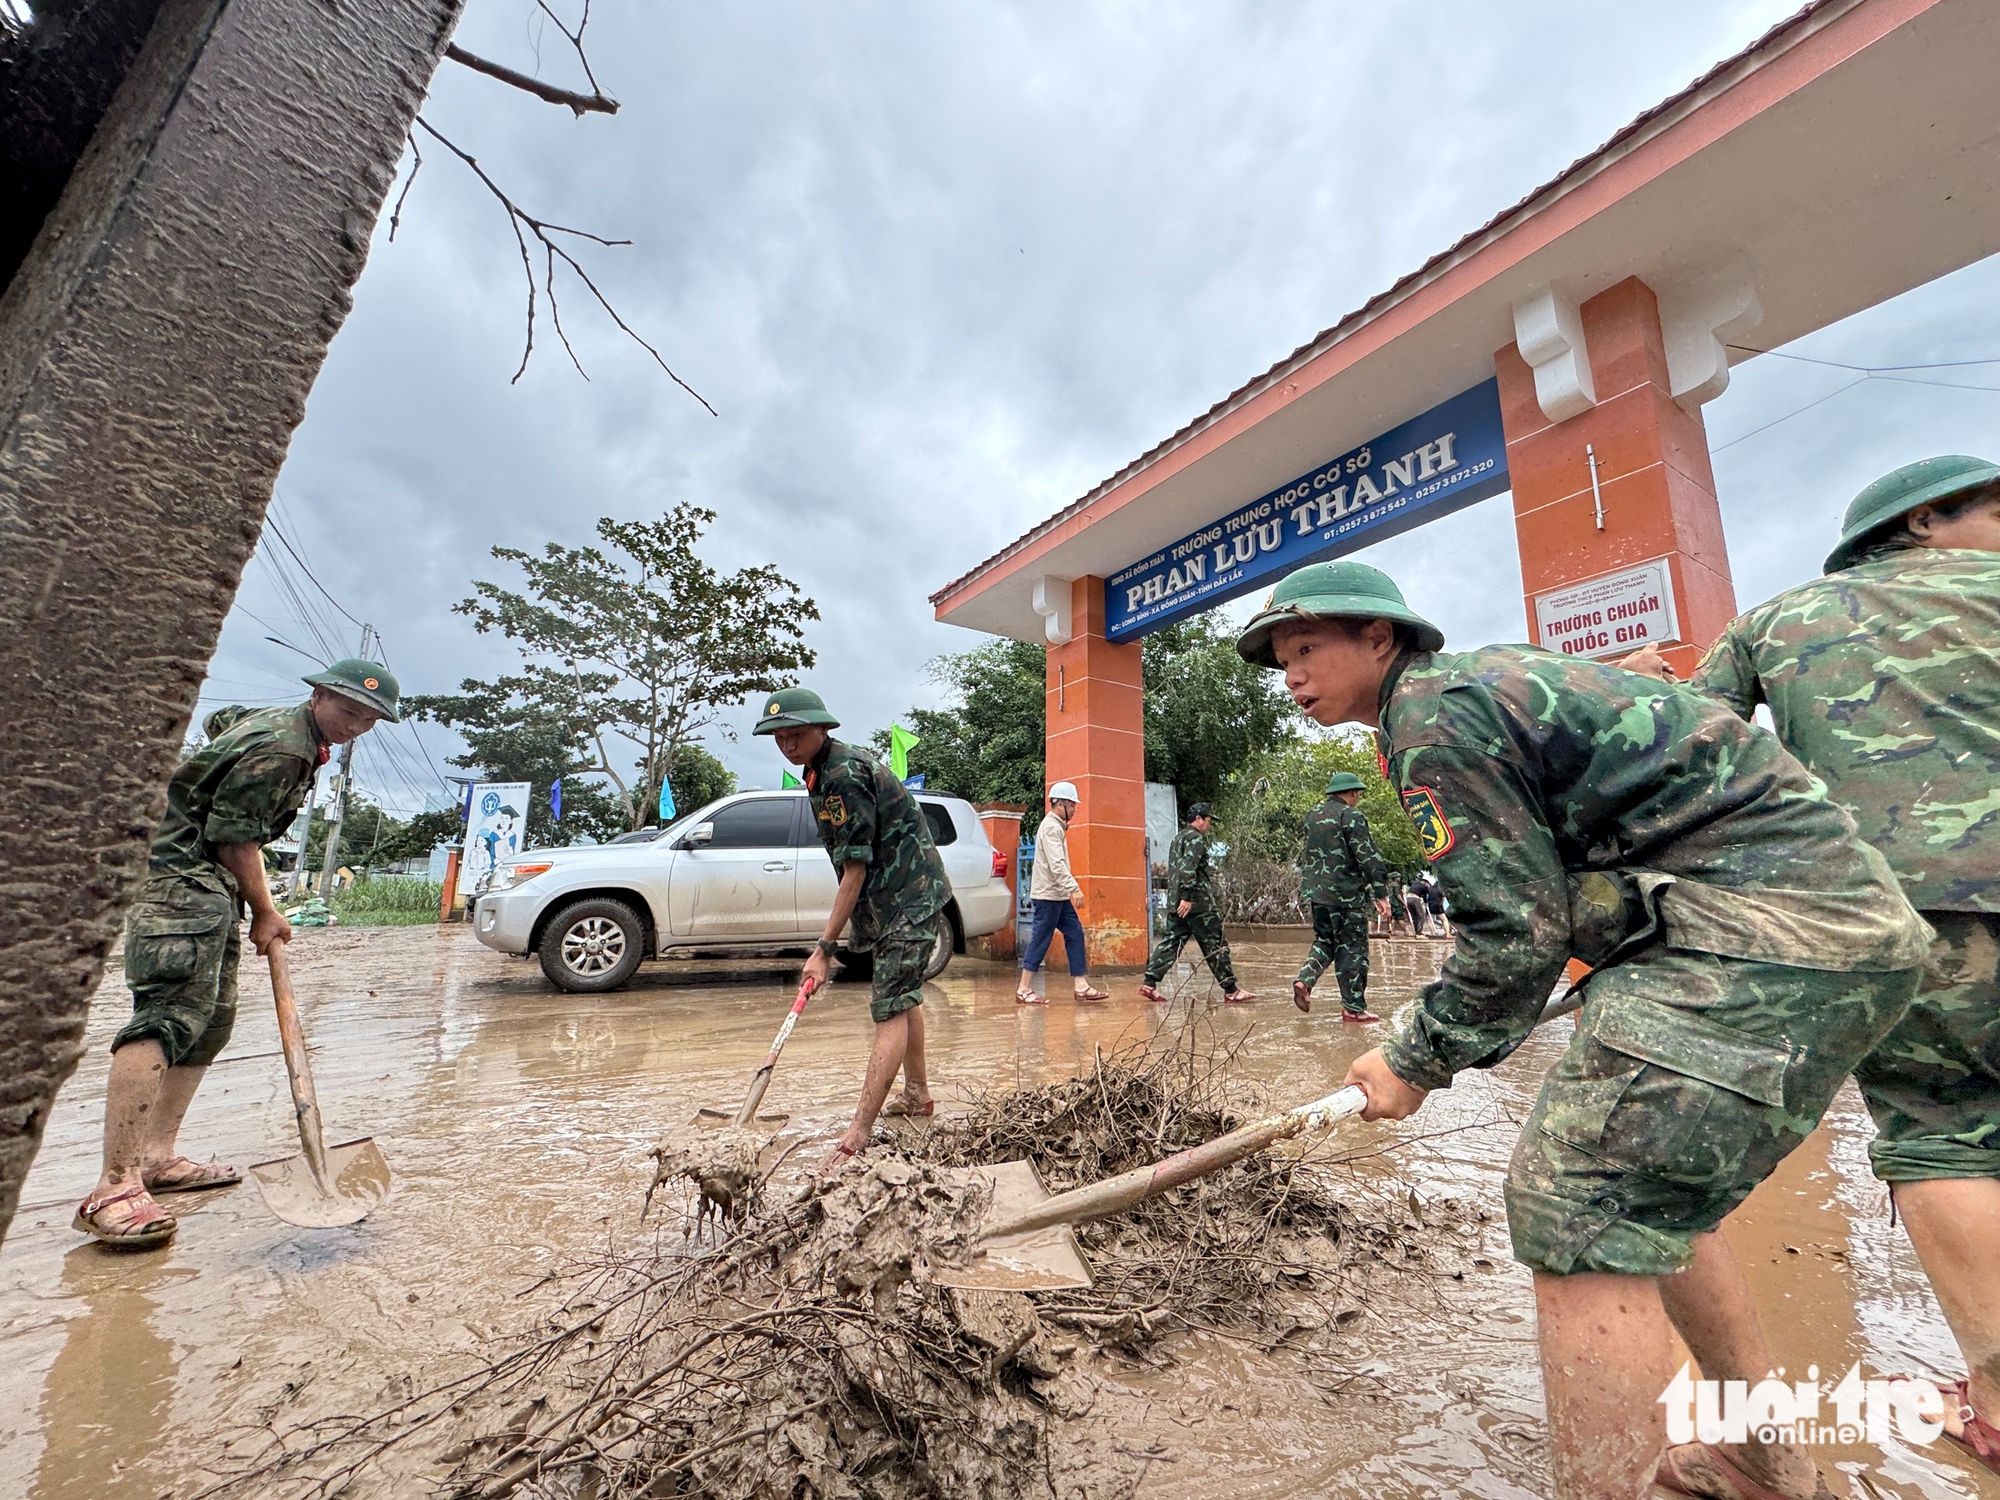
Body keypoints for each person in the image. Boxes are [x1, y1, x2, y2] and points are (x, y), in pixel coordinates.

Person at [1236, 559, 1930, 1500]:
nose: (1294, 676)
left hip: (1765, 930)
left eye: (1308, 648)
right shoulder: (1473, 691)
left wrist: (1413, 1055)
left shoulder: (1432, 715)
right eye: (1281, 660)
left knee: (1577, 1196)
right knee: (1653, 1193)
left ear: (1380, 637)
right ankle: (1762, 1460)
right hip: (1826, 927)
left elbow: (1516, 936)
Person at [1678, 455, 2000, 1476]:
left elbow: (1692, 749)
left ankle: (1994, 1397)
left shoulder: (1778, 620)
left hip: (1904, 913)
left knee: (1944, 1130)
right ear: (1927, 521)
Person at [74, 660, 400, 1245]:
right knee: (168, 1017)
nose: (357, 725)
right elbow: (232, 837)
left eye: (370, 718)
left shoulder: (286, 731)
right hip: (179, 880)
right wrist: (268, 911)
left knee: (210, 1024)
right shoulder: (284, 750)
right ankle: (114, 1187)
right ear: (320, 695)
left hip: (208, 884)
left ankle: (157, 1157)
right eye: (349, 710)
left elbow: (225, 723)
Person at [756, 688, 950, 1167]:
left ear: (823, 728)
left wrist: (823, 948)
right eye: (778, 737)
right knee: (903, 999)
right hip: (888, 900)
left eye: (796, 734)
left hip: (907, 896)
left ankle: (858, 1133)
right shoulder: (818, 770)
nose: (787, 744)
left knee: (887, 1010)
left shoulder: (842, 774)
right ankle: (918, 1095)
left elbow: (854, 870)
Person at [1293, 771, 1391, 1019]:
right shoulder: (1351, 816)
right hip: (1346, 896)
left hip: (1317, 895)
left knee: (1324, 942)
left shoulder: (1313, 816)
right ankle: (1353, 1009)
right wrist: (1380, 892)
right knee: (1352, 950)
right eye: (1358, 794)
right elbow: (1367, 855)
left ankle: (1304, 980)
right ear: (1352, 793)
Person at [1138, 803, 1254, 1004]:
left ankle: (1149, 983)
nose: (1209, 825)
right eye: (1208, 820)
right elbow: (1187, 869)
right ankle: (1231, 990)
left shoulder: (1178, 839)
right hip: (1197, 905)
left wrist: (1181, 898)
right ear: (1198, 819)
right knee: (1216, 945)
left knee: (1171, 942)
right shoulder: (1196, 839)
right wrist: (1188, 897)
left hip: (1177, 902)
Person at [1017, 781, 1109, 1004]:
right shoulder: (1051, 827)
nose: (1075, 810)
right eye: (1072, 805)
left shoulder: (1057, 827)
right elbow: (1056, 864)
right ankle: (1023, 989)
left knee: (1075, 933)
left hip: (1056, 895)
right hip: (1049, 896)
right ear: (1060, 805)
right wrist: (1073, 888)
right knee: (1041, 939)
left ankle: (1081, 985)